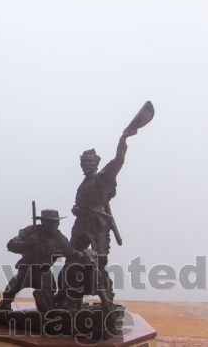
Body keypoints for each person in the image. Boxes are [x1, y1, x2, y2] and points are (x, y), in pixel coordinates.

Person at [70, 127, 137, 298]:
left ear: (96, 163)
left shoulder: (102, 178)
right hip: (81, 225)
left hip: (97, 225)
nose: (86, 164)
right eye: (84, 161)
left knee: (99, 262)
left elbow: (119, 161)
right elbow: (81, 205)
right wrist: (77, 209)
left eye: (89, 161)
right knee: (73, 259)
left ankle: (106, 297)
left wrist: (123, 140)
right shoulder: (83, 184)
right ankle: (72, 295)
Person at [0, 209, 77, 312]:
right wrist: (27, 244)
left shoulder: (61, 240)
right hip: (27, 269)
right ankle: (5, 304)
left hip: (44, 272)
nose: (54, 225)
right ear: (43, 222)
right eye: (51, 222)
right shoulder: (31, 231)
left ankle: (50, 310)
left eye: (56, 222)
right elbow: (11, 245)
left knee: (48, 302)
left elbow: (72, 255)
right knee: (11, 289)